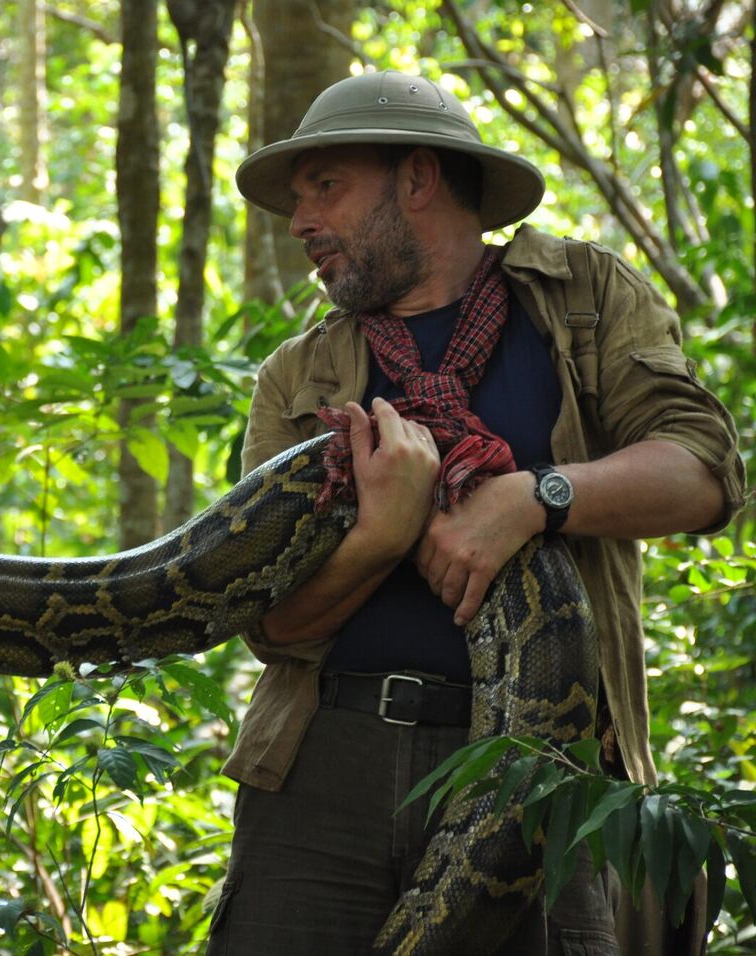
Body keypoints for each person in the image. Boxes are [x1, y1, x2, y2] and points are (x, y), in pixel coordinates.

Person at [207, 71, 744, 954]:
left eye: (326, 188)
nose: (299, 222)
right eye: (297, 200)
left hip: (549, 769)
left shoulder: (580, 299)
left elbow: (703, 473)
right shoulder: (296, 373)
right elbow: (269, 622)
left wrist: (533, 499)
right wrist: (383, 536)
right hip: (324, 762)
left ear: (417, 179)